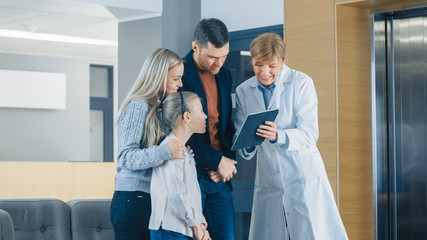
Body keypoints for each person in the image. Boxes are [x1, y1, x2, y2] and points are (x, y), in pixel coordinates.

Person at [233, 33, 348, 239]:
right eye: (259, 65)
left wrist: (280, 135)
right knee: (270, 233)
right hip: (269, 179)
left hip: (303, 176)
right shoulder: (244, 91)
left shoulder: (301, 83)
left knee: (311, 232)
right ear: (252, 60)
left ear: (283, 62)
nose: (264, 72)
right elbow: (240, 137)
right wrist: (248, 144)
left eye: (272, 66)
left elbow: (309, 134)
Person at [110, 48, 189, 240]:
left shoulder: (158, 108)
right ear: (160, 75)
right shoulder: (138, 106)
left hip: (146, 198)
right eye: (175, 78)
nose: (180, 84)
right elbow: (126, 157)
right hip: (132, 199)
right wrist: (164, 152)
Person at [180, 18, 237, 240]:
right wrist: (216, 161)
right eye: (212, 57)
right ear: (195, 47)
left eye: (224, 56)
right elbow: (181, 130)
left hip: (220, 178)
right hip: (192, 174)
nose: (219, 63)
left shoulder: (225, 74)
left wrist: (226, 161)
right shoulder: (179, 73)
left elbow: (226, 124)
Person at [147, 91, 211, 240]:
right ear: (187, 116)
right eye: (201, 111)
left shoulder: (183, 151)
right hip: (170, 231)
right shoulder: (171, 150)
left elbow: (191, 195)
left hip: (182, 230)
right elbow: (177, 194)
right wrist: (195, 225)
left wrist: (201, 224)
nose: (205, 116)